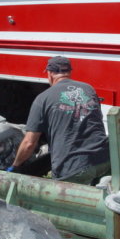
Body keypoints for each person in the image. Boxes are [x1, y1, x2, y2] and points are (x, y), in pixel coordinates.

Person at [10, 56, 110, 185]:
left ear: (50, 74)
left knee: (66, 201)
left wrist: (16, 164)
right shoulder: (88, 89)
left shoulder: (42, 99)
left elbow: (29, 143)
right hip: (103, 159)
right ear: (69, 72)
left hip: (73, 168)